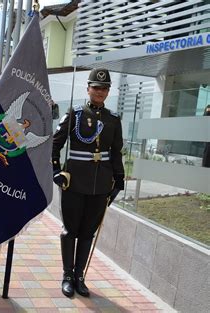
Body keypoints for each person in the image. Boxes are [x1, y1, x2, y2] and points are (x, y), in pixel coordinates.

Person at [51, 68, 125, 298]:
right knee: (70, 230)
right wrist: (56, 171)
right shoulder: (74, 114)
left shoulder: (113, 119)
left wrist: (119, 180)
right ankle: (66, 275)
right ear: (88, 89)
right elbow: (55, 144)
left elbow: (116, 152)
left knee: (87, 232)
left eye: (104, 88)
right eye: (96, 87)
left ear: (108, 91)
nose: (100, 92)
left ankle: (79, 276)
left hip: (100, 183)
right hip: (74, 182)